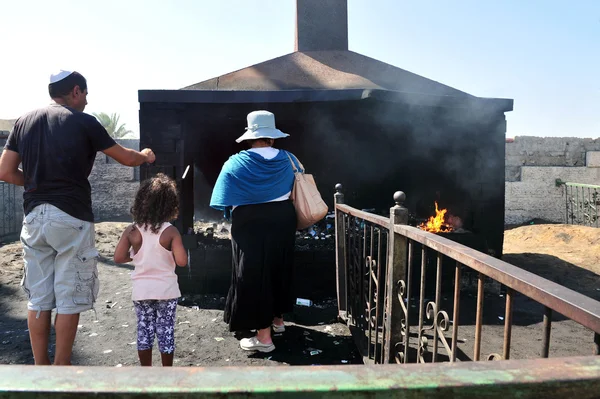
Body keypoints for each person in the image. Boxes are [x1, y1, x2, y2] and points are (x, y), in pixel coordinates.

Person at [0, 70, 156, 365]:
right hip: (71, 216)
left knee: (39, 298)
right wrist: (145, 155)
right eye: (84, 94)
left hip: (34, 217)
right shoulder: (84, 121)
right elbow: (125, 157)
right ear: (75, 91)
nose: (86, 100)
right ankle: (61, 367)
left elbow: (5, 171)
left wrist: (37, 183)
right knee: (69, 297)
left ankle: (40, 368)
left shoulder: (24, 121)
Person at [210, 110, 300, 353]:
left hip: (250, 222)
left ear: (250, 136)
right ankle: (278, 321)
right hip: (283, 218)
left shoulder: (235, 162)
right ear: (272, 136)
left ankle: (264, 338)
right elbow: (297, 184)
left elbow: (223, 198)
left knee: (255, 274)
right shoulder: (290, 159)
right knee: (279, 267)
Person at [114, 173, 187, 366]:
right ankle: (166, 371)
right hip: (166, 291)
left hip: (142, 291)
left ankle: (146, 371)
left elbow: (118, 257)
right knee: (166, 331)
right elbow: (181, 261)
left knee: (144, 331)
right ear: (170, 204)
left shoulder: (132, 231)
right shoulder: (170, 231)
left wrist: (137, 256)